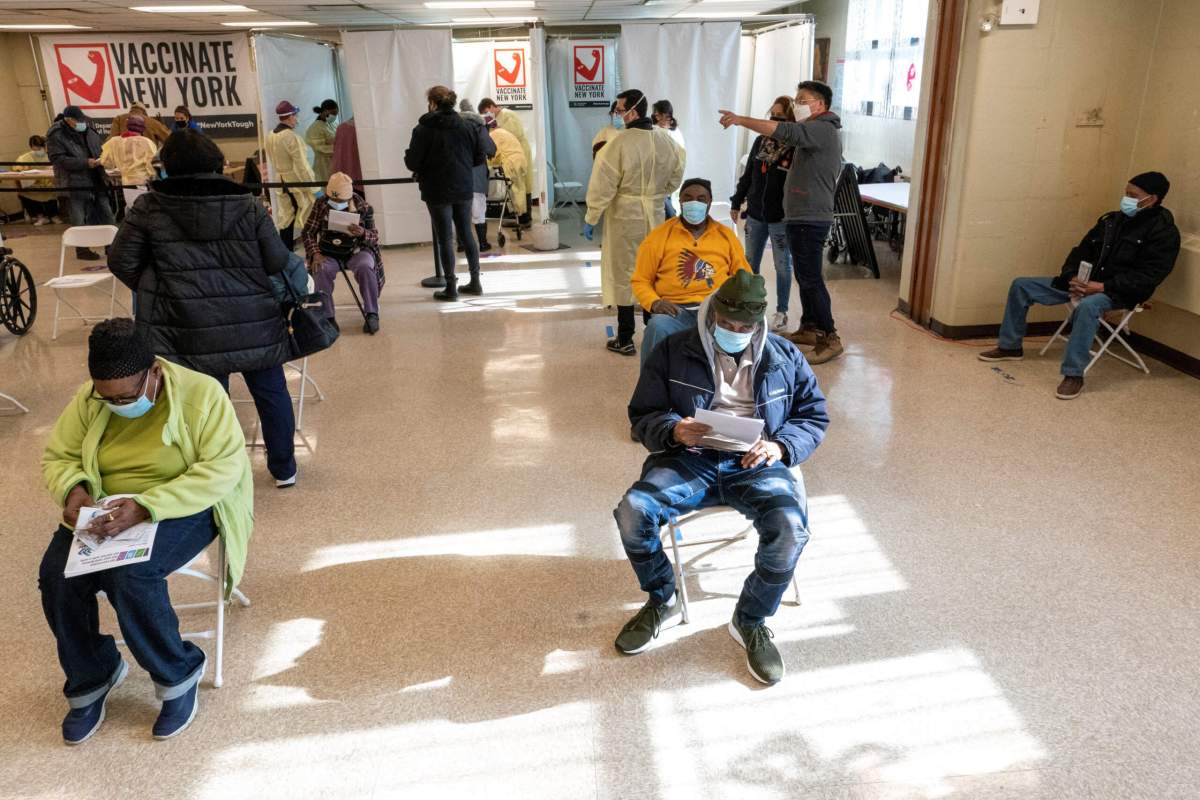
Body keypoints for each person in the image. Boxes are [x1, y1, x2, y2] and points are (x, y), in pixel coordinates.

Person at [39, 318, 253, 743]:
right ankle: (92, 675)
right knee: (57, 578)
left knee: (131, 576)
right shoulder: (89, 399)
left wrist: (147, 506)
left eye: (127, 396)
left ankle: (178, 672)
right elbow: (59, 456)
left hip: (183, 502)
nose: (116, 405)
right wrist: (74, 490)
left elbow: (222, 470)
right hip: (109, 503)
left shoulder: (201, 394)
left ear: (154, 371)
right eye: (106, 397)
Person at [613, 271, 828, 685]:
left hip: (756, 461)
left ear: (759, 323)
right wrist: (673, 429)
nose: (735, 333)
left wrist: (780, 447)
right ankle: (663, 598)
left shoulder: (784, 355)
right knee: (633, 513)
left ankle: (750, 619)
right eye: (726, 325)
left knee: (790, 529)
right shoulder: (674, 350)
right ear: (712, 316)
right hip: (689, 457)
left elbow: (813, 414)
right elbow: (643, 414)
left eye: (745, 327)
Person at [107, 130, 299, 489]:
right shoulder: (247, 205)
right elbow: (277, 260)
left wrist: (159, 289)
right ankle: (285, 468)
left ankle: (218, 473)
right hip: (253, 318)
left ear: (168, 167)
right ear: (216, 163)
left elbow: (120, 261)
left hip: (184, 323)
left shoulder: (149, 208)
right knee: (271, 393)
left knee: (206, 403)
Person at [978, 172, 1181, 399]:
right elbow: (1079, 251)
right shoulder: (1111, 221)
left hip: (1117, 292)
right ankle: (1010, 347)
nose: (1127, 199)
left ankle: (1074, 374)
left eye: (1133, 195)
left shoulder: (1164, 233)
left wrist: (1101, 287)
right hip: (1083, 284)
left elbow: (1149, 276)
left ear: (1152, 199)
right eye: (1126, 193)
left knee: (1088, 306)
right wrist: (1072, 276)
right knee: (1022, 285)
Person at [719, 80, 845, 364]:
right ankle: (811, 327)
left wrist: (740, 120)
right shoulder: (816, 130)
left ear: (820, 105)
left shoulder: (822, 129)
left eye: (803, 99)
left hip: (810, 217)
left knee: (811, 279)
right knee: (805, 276)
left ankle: (830, 335)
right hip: (799, 216)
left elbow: (784, 130)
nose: (797, 104)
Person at [584, 88, 685, 356]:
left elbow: (602, 184)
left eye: (620, 110)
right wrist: (656, 194)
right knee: (652, 272)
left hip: (624, 217)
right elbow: (676, 177)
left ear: (633, 110)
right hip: (655, 215)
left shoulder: (618, 144)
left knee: (624, 274)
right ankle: (655, 334)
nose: (617, 115)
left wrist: (592, 216)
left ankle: (625, 337)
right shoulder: (667, 141)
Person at [632, 178, 751, 364]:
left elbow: (744, 277)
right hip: (675, 311)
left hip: (716, 309)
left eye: (701, 199)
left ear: (709, 202)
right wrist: (654, 302)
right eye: (688, 198)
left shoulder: (725, 236)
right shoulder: (659, 236)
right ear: (679, 201)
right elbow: (641, 280)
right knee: (657, 327)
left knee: (744, 335)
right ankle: (650, 388)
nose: (694, 202)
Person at [407, 86, 493, 301]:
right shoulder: (467, 125)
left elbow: (412, 162)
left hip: (436, 188)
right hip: (463, 185)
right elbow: (478, 157)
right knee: (466, 232)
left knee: (445, 238)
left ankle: (451, 287)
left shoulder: (423, 129)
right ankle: (475, 282)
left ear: (433, 103)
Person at [730, 96, 797, 333]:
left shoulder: (795, 148)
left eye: (780, 117)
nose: (774, 121)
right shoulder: (760, 142)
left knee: (782, 266)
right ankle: (752, 306)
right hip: (756, 214)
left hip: (781, 218)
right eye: (772, 116)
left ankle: (782, 311)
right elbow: (748, 176)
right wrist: (737, 201)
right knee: (750, 263)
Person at [302, 172, 385, 334]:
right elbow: (307, 233)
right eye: (333, 200)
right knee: (321, 269)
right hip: (328, 252)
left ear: (349, 197)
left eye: (340, 201)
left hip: (356, 251)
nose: (336, 203)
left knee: (366, 267)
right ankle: (328, 317)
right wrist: (315, 254)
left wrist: (362, 233)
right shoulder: (321, 204)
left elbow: (374, 237)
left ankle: (372, 313)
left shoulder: (363, 207)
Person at [46, 105, 115, 261]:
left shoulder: (89, 130)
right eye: (77, 120)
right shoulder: (56, 135)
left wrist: (104, 161)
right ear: (68, 120)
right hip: (74, 182)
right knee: (79, 218)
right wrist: (84, 163)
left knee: (107, 214)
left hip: (97, 178)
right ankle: (82, 250)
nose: (81, 123)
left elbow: (100, 149)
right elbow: (58, 159)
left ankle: (112, 246)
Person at [264, 100, 317, 251]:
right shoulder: (291, 137)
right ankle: (311, 252)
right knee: (308, 216)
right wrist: (313, 186)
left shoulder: (270, 135)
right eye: (295, 115)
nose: (297, 118)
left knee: (286, 218)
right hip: (296, 183)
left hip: (280, 182)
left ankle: (285, 253)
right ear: (289, 117)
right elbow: (302, 165)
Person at [478, 98, 532, 227]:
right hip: (508, 153)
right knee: (512, 185)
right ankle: (517, 215)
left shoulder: (508, 114)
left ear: (492, 106)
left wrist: (497, 126)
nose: (487, 115)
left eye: (487, 112)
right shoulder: (496, 119)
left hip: (518, 151)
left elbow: (516, 133)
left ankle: (525, 218)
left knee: (521, 185)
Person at [99, 114, 158, 208]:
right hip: (143, 183)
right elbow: (153, 164)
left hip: (127, 184)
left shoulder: (115, 142)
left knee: (131, 208)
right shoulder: (147, 143)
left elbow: (106, 162)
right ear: (142, 128)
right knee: (142, 210)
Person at [459, 100, 493, 252]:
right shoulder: (479, 125)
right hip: (477, 170)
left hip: (459, 170)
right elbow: (490, 148)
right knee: (479, 205)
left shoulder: (455, 125)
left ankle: (461, 244)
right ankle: (483, 243)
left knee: (460, 208)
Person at [14, 135, 61, 225]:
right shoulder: (25, 158)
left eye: (40, 148)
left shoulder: (49, 156)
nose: (38, 151)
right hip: (33, 184)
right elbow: (18, 169)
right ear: (31, 147)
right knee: (27, 194)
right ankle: (40, 216)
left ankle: (54, 216)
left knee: (51, 195)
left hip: (49, 183)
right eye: (35, 148)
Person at [651, 100, 686, 219]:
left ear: (667, 115)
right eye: (656, 115)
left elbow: (677, 158)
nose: (658, 118)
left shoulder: (674, 133)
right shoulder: (654, 130)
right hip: (657, 178)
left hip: (669, 177)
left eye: (660, 115)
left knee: (668, 206)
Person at [305, 99, 338, 183]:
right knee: (327, 187)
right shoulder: (315, 128)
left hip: (335, 162)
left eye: (336, 113)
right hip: (324, 165)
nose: (335, 116)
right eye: (333, 113)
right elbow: (320, 148)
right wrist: (339, 149)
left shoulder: (333, 124)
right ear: (325, 112)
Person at [331, 116, 363, 188]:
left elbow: (338, 153)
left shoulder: (341, 128)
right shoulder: (368, 128)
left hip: (346, 171)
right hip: (358, 172)